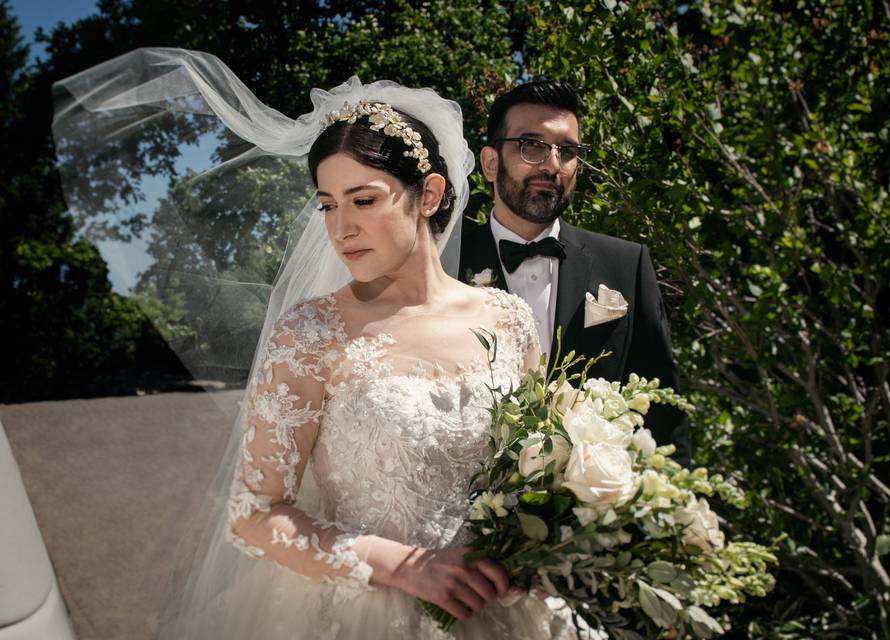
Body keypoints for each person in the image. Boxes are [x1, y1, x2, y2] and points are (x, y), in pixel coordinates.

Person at [52, 50, 576, 639]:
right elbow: (254, 516)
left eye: (364, 199)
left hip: (504, 606)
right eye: (328, 205)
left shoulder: (507, 319)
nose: (340, 228)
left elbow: (543, 476)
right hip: (363, 614)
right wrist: (405, 567)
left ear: (428, 195)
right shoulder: (309, 334)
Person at [459, 80, 691, 467]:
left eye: (566, 151)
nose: (552, 165)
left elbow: (664, 420)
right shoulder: (442, 265)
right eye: (531, 146)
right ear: (490, 163)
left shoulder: (626, 265)